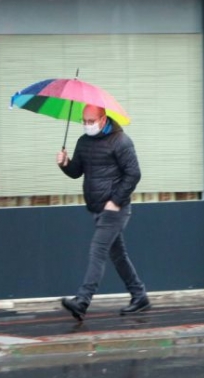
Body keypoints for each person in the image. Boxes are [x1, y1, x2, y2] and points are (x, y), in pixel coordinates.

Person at [56, 104, 150, 321]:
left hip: (115, 209)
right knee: (118, 256)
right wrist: (65, 163)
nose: (87, 125)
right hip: (97, 208)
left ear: (103, 118)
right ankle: (139, 296)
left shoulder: (121, 141)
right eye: (84, 121)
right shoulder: (83, 141)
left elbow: (134, 174)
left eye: (91, 121)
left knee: (97, 250)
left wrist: (115, 201)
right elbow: (76, 172)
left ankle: (82, 301)